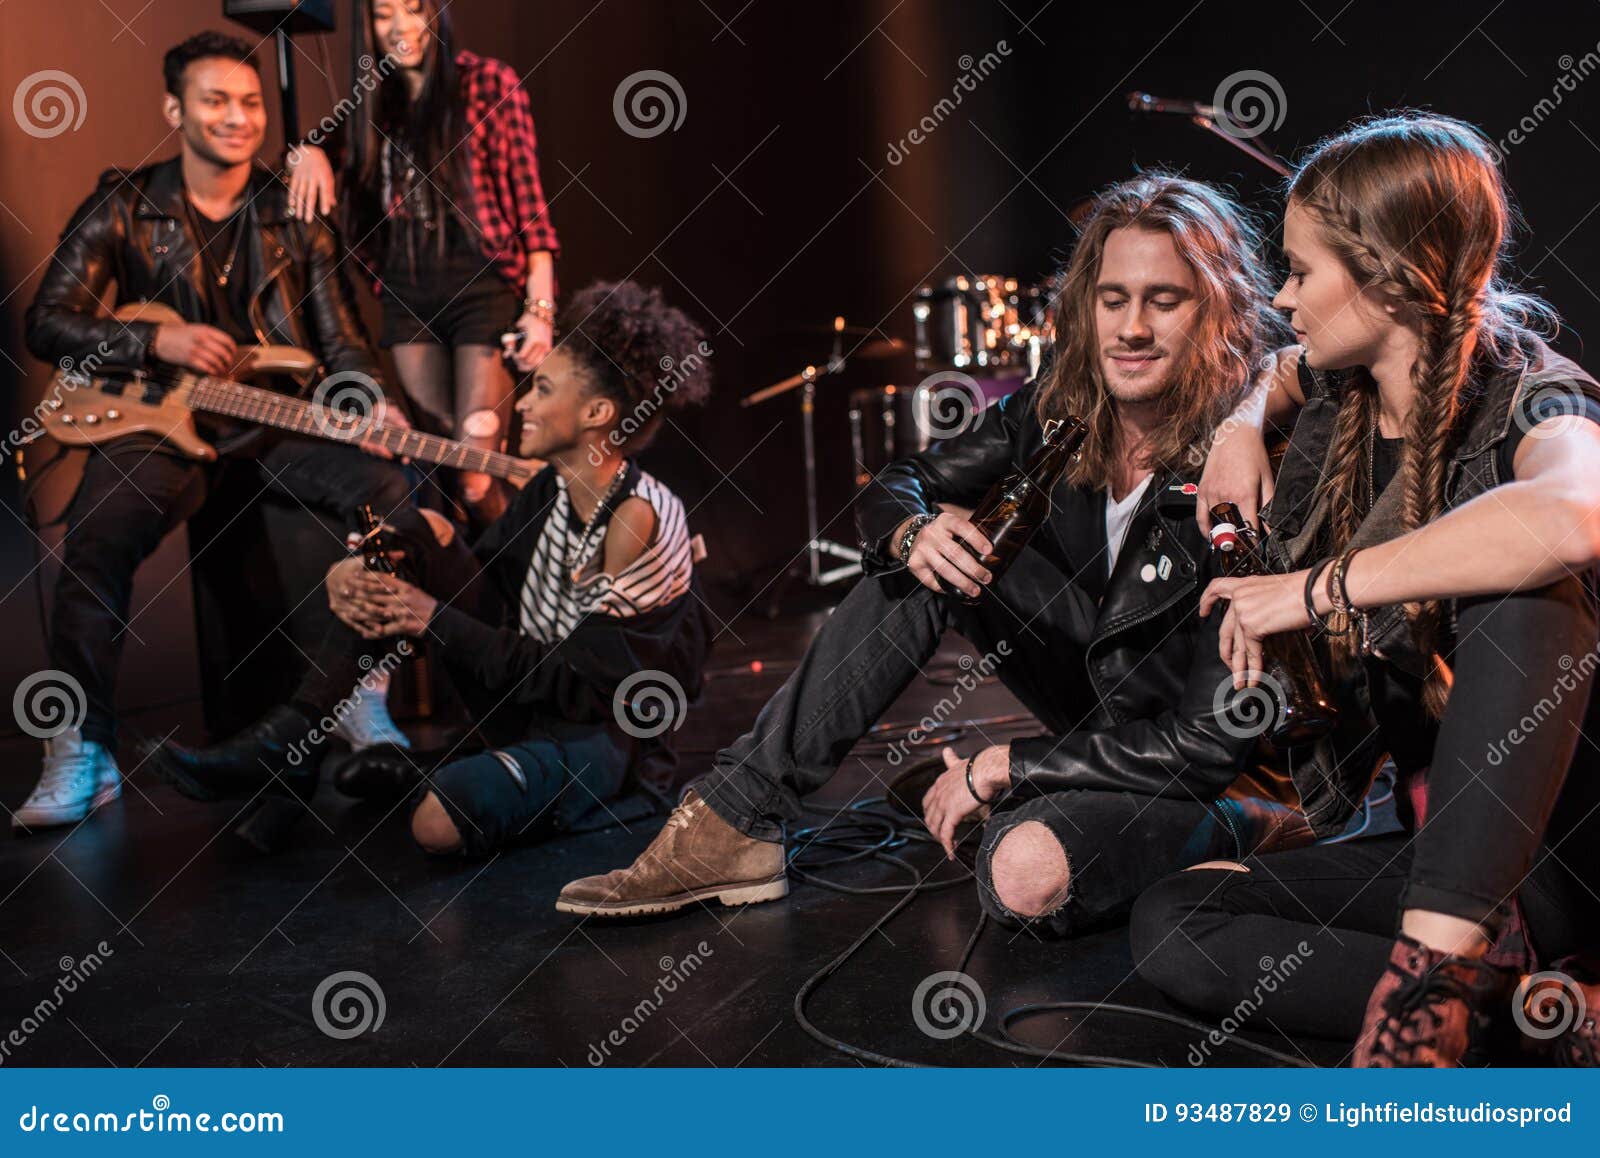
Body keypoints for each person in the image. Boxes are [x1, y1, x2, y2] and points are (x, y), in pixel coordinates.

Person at [556, 174, 1326, 931]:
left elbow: (1205, 743)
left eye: (1164, 301)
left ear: (1215, 308)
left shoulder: (1249, 456)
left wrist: (1005, 766)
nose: (1130, 328)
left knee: (1024, 877)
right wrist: (910, 532)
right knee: (941, 546)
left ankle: (1244, 827)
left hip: (1205, 766)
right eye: (1113, 299)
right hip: (1097, 712)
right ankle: (737, 816)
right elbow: (905, 481)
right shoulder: (1064, 400)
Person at [1131, 113, 1600, 1067]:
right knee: (1179, 919)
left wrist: (1318, 588)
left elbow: (1572, 514)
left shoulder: (1532, 394)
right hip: (1431, 848)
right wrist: (1242, 421)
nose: (1282, 293)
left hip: (1562, 853)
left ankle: (1428, 996)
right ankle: (1545, 1012)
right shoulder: (1336, 395)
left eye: (1302, 272)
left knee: (1521, 584)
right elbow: (1283, 364)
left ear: (1388, 277)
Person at [148, 281, 715, 859]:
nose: (521, 404)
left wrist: (429, 617)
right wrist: (370, 563)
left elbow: (578, 686)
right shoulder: (551, 488)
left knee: (437, 825)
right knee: (417, 534)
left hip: (600, 738)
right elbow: (484, 581)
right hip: (531, 706)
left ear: (597, 413)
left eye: (542, 388)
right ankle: (295, 740)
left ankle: (405, 774)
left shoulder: (637, 518)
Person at [16, 32, 412, 833]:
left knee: (384, 488)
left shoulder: (294, 215)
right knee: (99, 533)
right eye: (215, 101)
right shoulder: (124, 203)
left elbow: (342, 347)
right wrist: (152, 341)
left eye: (251, 102)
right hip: (163, 428)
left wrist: (366, 399)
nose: (238, 118)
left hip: (270, 428)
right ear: (175, 109)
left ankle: (357, 699)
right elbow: (47, 321)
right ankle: (81, 749)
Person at [286, 0, 559, 525]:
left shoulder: (486, 84)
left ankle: (532, 588)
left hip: (482, 291)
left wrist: (540, 309)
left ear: (437, 14)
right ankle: (475, 599)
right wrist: (305, 152)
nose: (401, 26)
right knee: (443, 471)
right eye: (384, 13)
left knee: (476, 474)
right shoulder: (371, 103)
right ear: (367, 26)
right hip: (410, 300)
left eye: (413, 8)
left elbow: (531, 208)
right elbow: (313, 149)